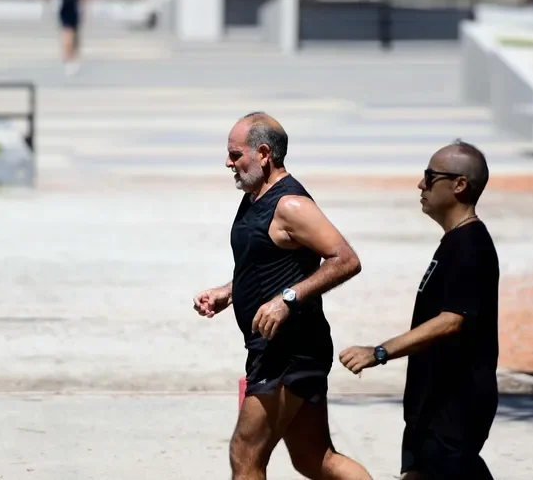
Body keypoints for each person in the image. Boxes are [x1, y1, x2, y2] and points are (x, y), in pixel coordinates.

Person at [193, 112, 373, 480]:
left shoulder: (290, 205)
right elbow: (265, 263)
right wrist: (228, 292)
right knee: (313, 459)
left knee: (245, 454)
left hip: (289, 352)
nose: (228, 162)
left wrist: (286, 299)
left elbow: (346, 260)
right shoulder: (254, 196)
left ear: (263, 153)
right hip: (276, 348)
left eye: (235, 154)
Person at [338, 140, 500, 480]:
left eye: (430, 176)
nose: (420, 184)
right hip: (431, 402)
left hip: (456, 405)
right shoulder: (454, 242)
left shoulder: (471, 247)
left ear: (459, 185)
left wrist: (379, 352)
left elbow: (451, 321)